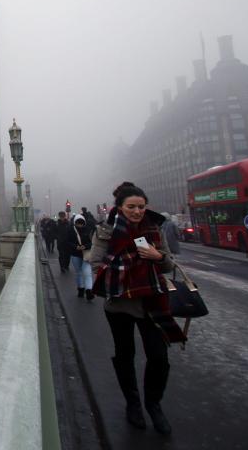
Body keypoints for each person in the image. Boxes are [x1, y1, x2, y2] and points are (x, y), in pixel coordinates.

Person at [90, 182, 185, 435]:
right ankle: (133, 403)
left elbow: (168, 263)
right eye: (131, 206)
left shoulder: (155, 228)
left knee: (159, 358)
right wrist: (115, 277)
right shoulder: (106, 231)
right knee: (125, 355)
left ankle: (153, 404)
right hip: (120, 303)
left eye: (141, 207)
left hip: (152, 301)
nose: (137, 211)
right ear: (120, 208)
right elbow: (95, 265)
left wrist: (159, 257)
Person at [65, 214, 94, 299]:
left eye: (81, 223)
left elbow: (93, 242)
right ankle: (81, 289)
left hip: (86, 255)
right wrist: (76, 247)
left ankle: (88, 291)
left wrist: (85, 246)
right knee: (79, 273)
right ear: (75, 223)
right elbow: (67, 241)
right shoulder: (70, 230)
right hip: (76, 254)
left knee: (87, 273)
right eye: (78, 223)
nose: (80, 225)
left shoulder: (89, 230)